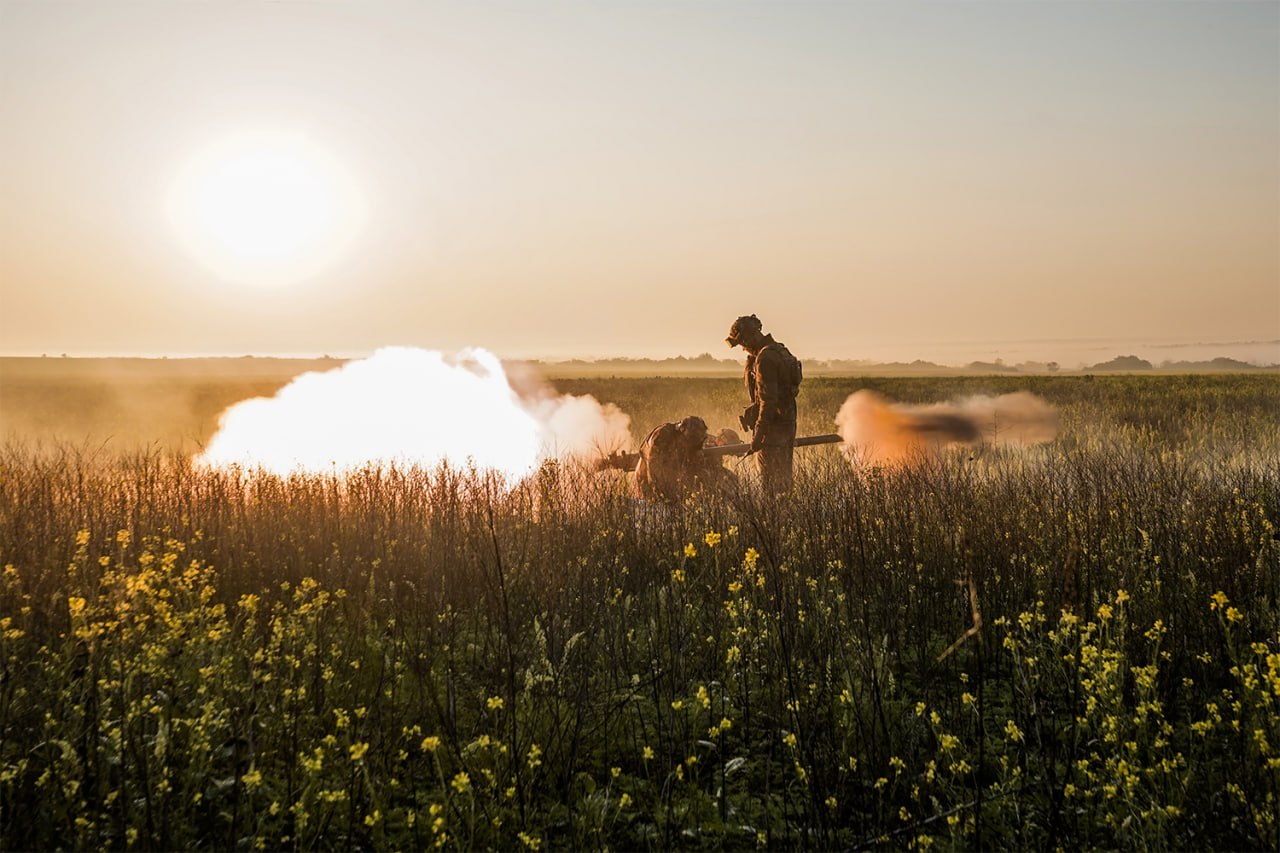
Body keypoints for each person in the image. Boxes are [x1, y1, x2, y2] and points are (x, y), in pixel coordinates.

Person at [725, 314, 802, 494]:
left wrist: (759, 433)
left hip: (773, 429)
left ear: (749, 338)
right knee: (783, 480)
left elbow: (768, 400)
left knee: (772, 486)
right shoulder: (780, 350)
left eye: (742, 344)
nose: (743, 349)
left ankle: (775, 519)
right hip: (786, 424)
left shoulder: (765, 359)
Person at [634, 416, 736, 502]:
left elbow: (697, 470)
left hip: (674, 489)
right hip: (648, 490)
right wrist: (666, 498)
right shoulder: (662, 437)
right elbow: (654, 474)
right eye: (693, 440)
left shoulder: (692, 444)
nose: (695, 445)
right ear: (682, 433)